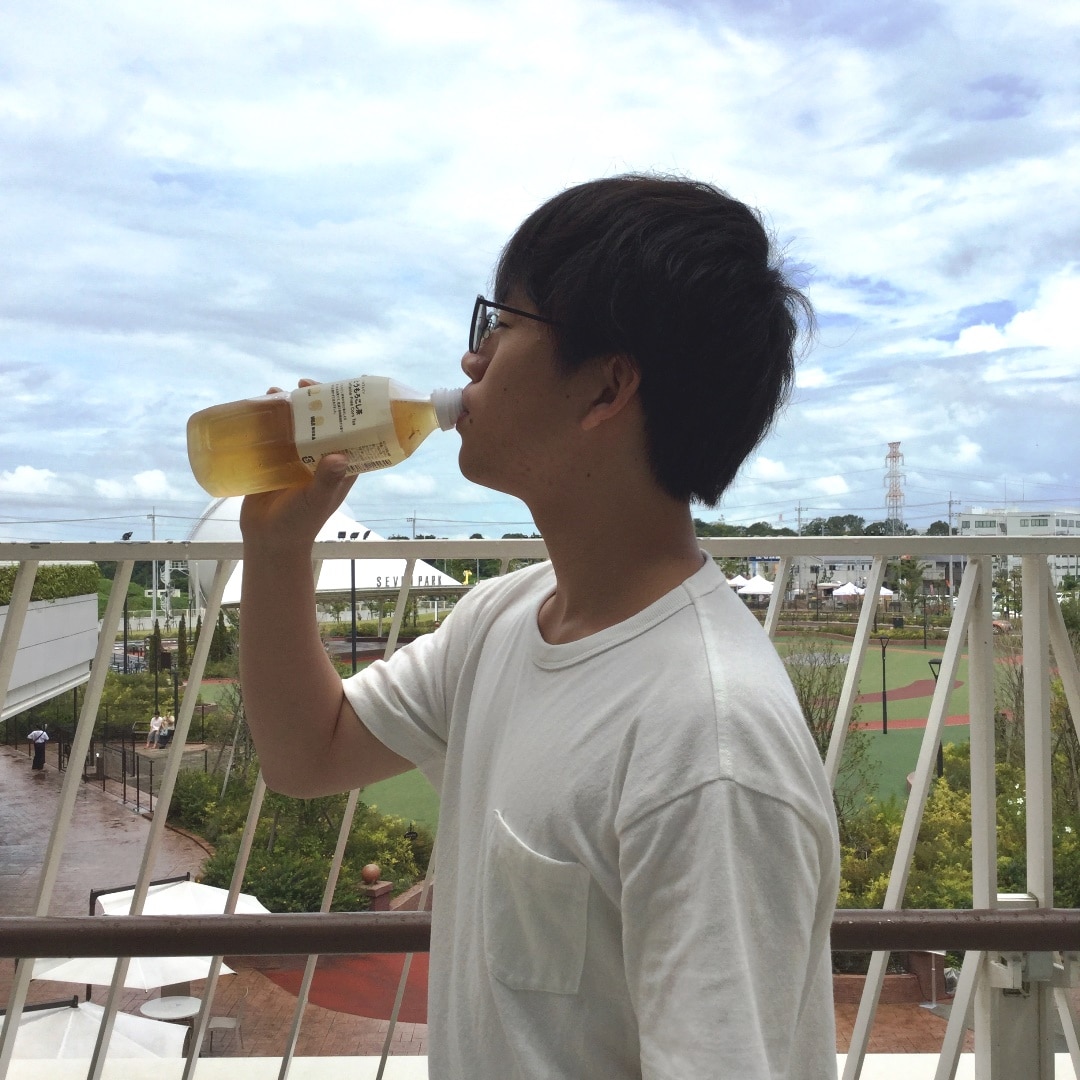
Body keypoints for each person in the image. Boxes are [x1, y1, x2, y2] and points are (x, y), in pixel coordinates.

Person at [240, 175, 840, 1078]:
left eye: (502, 323)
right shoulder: (504, 617)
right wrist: (279, 548)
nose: (471, 361)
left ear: (607, 386)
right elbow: (306, 754)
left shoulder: (710, 744)